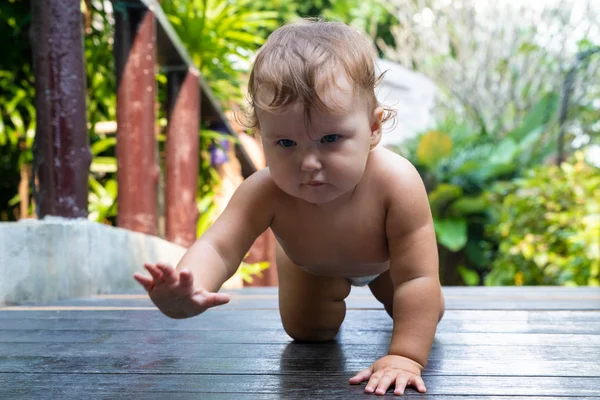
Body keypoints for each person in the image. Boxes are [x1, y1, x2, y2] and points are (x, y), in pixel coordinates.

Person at [134, 19, 445, 396]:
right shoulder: (265, 191)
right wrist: (189, 287)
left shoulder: (397, 183)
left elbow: (417, 278)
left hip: (388, 264)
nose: (308, 163)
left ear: (373, 128)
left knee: (418, 309)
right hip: (309, 267)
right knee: (307, 332)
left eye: (330, 138)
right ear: (260, 135)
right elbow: (218, 246)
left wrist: (405, 356)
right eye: (285, 143)